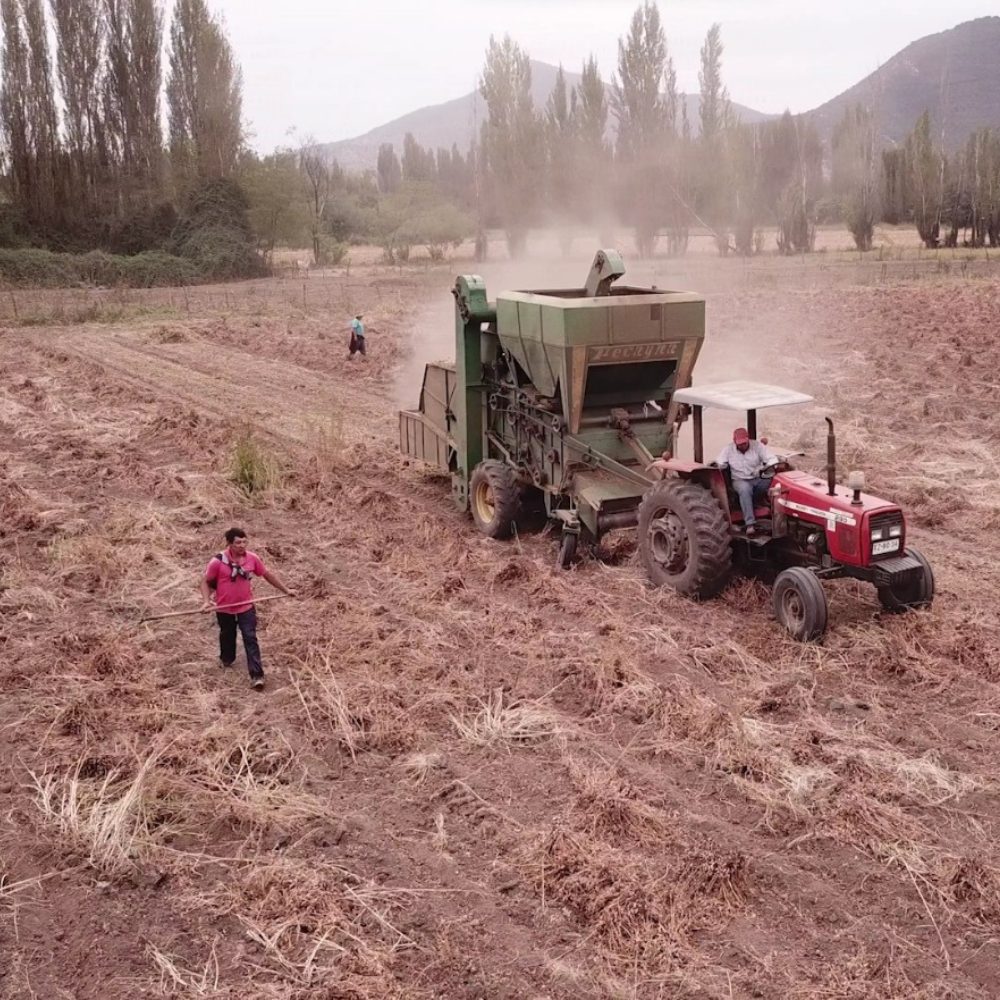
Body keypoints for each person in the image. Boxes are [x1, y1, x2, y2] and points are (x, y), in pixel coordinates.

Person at [199, 527, 295, 690]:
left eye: (244, 542)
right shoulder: (217, 562)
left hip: (246, 607)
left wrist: (286, 590)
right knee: (227, 635)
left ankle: (257, 676)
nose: (242, 545)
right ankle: (227, 659)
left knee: (250, 638)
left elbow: (267, 575)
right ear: (229, 543)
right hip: (224, 608)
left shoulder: (252, 558)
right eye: (238, 543)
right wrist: (207, 601)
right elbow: (205, 582)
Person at [715, 428, 777, 536]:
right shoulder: (728, 450)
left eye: (744, 443)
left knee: (772, 482)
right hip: (739, 479)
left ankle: (772, 512)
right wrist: (722, 465)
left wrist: (763, 467)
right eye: (740, 444)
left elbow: (773, 459)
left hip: (756, 478)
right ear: (734, 441)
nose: (742, 446)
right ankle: (750, 524)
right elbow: (719, 462)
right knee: (745, 489)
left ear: (748, 439)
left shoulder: (757, 446)